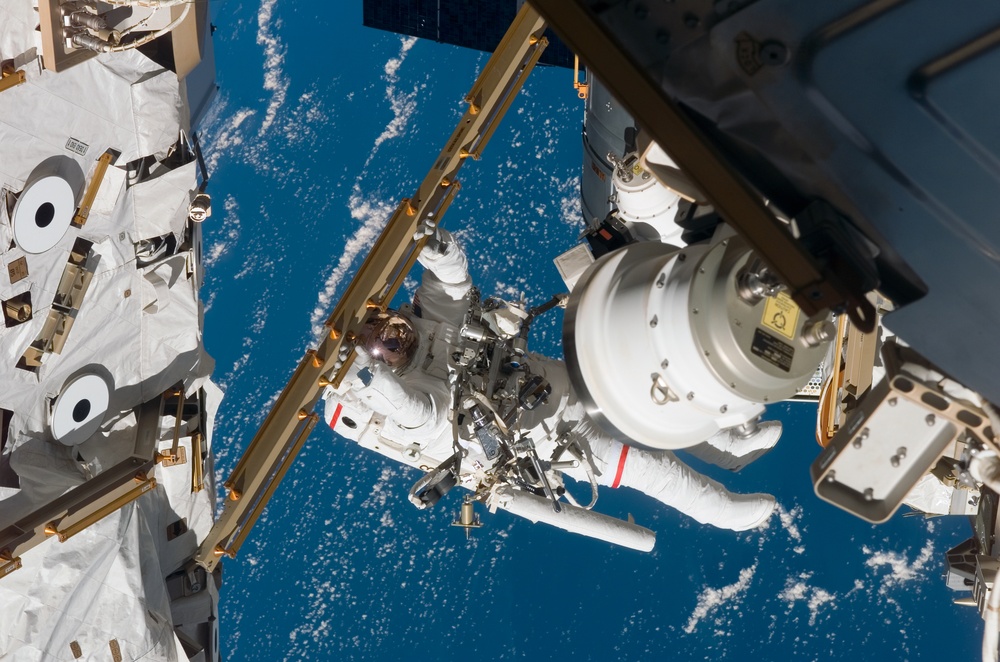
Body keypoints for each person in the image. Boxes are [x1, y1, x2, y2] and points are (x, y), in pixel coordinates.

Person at [324, 229, 778, 532]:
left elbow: (452, 290)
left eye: (386, 327)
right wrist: (369, 379)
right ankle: (725, 513)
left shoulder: (425, 325)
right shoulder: (411, 400)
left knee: (656, 402)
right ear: (380, 364)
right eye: (382, 344)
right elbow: (424, 415)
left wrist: (440, 253)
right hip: (553, 437)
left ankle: (731, 449)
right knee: (657, 472)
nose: (393, 337)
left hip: (556, 382)